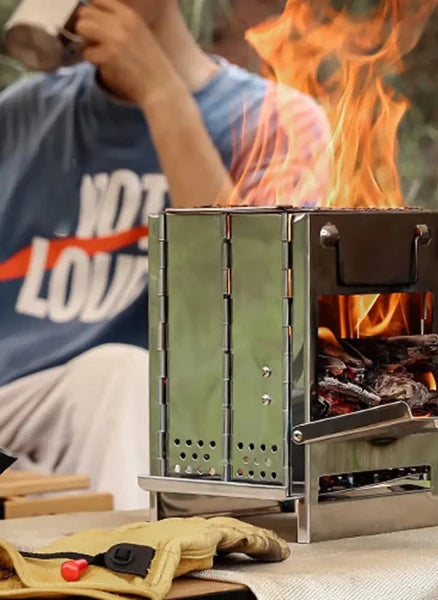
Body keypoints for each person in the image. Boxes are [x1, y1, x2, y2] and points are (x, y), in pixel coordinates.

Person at [0, 0, 330, 509]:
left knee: (123, 377)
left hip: (159, 423)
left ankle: (136, 575)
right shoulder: (23, 114)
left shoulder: (277, 122)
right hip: (14, 402)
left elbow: (253, 311)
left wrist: (160, 94)